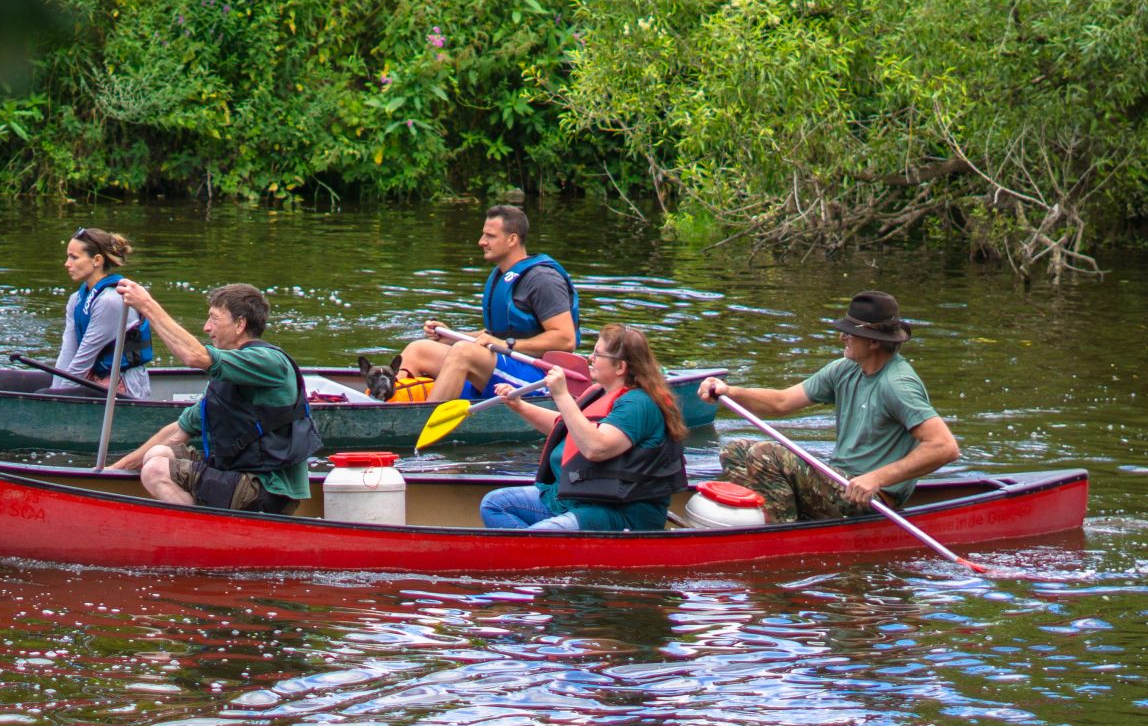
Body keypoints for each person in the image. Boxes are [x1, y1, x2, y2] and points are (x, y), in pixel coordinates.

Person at [697, 291, 962, 521]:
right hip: (838, 483)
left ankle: (782, 532)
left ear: (873, 341)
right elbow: (781, 402)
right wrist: (730, 391)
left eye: (850, 333)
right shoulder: (845, 369)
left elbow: (944, 447)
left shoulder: (898, 384)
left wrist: (877, 478)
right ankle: (775, 519)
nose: (842, 338)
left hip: (871, 500)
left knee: (766, 453)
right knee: (735, 451)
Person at [107, 280, 322, 514]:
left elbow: (193, 356)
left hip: (267, 489)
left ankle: (202, 535)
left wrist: (147, 305)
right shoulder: (230, 374)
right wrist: (113, 471)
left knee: (155, 470)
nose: (207, 328)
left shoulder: (268, 362)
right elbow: (177, 432)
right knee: (157, 453)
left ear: (240, 324)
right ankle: (198, 518)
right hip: (238, 476)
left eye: (214, 319)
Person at [478, 325, 688, 533]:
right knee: (495, 504)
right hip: (573, 497)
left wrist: (561, 395)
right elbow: (566, 426)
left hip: (615, 512)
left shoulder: (638, 404)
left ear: (620, 367)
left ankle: (537, 552)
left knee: (538, 537)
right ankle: (547, 555)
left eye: (597, 354)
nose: (590, 358)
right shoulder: (601, 393)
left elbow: (596, 447)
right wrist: (521, 407)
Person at [367, 205, 579, 405]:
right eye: (483, 234)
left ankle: (422, 425)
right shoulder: (502, 276)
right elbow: (497, 334)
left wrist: (506, 345)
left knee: (463, 352)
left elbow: (565, 339)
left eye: (490, 236)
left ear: (512, 239)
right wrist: (451, 336)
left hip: (541, 378)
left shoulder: (543, 279)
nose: (481, 241)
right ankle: (385, 406)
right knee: (418, 349)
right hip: (506, 365)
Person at [0, 227, 152, 399]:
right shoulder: (76, 300)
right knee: (2, 379)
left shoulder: (110, 302)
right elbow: (68, 354)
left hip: (123, 388)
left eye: (74, 257)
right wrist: (56, 391)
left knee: (44, 395)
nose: (67, 263)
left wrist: (55, 398)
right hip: (92, 379)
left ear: (97, 260)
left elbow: (82, 362)